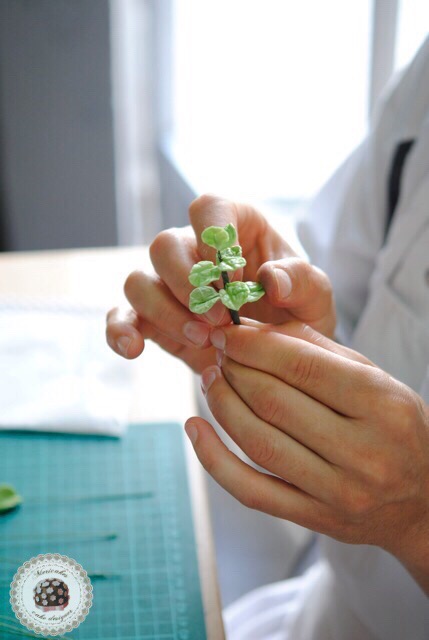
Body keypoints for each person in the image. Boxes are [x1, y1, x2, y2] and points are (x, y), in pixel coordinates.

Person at [106, 36, 429, 639]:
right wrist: (294, 322)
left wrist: (420, 519)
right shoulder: (424, 81)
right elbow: (348, 293)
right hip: (328, 610)